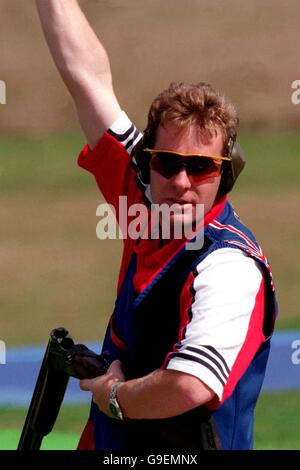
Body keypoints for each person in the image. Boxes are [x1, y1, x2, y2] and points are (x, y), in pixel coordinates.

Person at [36, 0, 277, 451]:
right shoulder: (144, 195)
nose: (181, 182)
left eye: (201, 167)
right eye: (168, 163)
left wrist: (116, 398)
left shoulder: (229, 268)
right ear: (148, 164)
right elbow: (87, 79)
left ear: (225, 176)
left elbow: (190, 384)